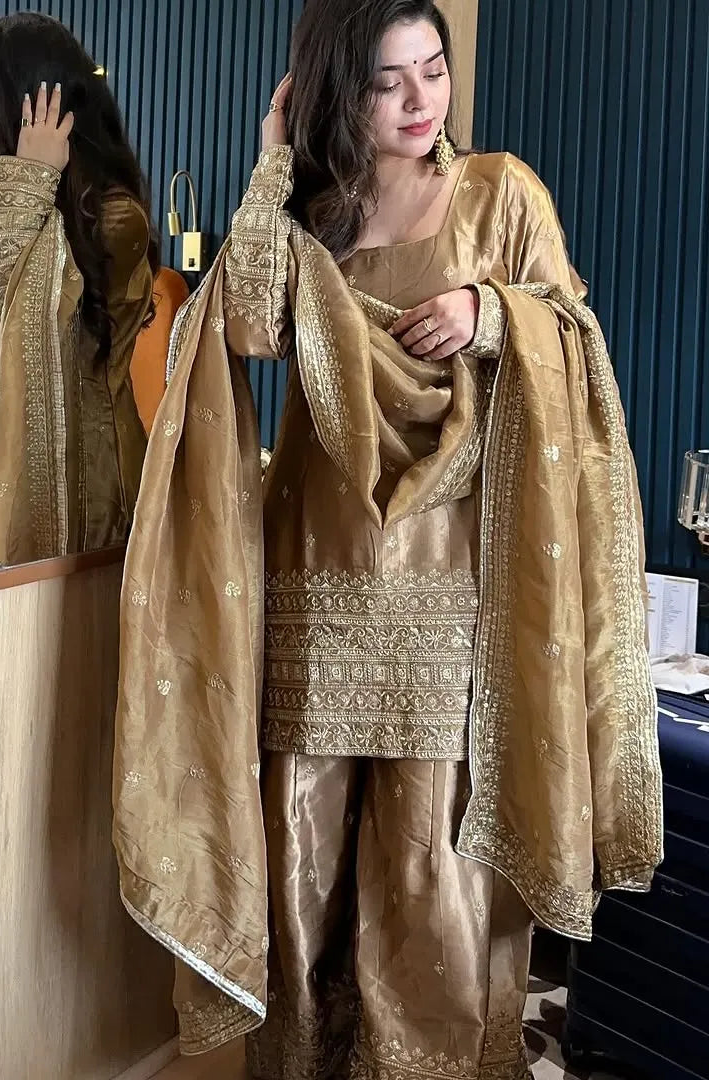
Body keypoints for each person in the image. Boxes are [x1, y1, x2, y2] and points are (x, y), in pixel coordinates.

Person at [112, 1, 662, 1077]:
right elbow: (246, 328)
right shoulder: (311, 213)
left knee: (431, 872)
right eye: (386, 81)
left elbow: (575, 342)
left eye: (433, 70)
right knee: (302, 868)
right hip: (317, 585)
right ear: (336, 91)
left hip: (449, 596)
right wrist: (273, 161)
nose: (421, 101)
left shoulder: (499, 194)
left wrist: (491, 314)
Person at [0, 13, 157, 565]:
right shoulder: (22, 203)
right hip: (17, 456)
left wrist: (30, 177)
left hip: (94, 479)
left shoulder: (115, 217)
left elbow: (0, 311)